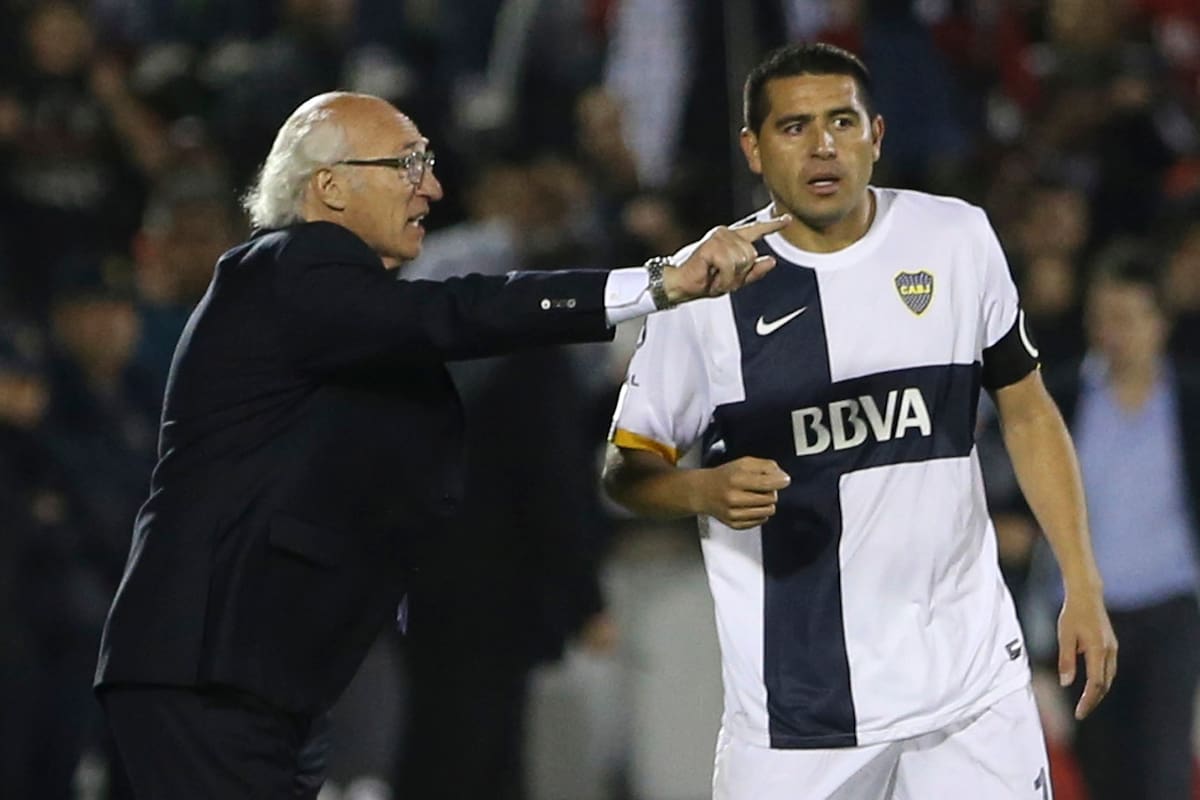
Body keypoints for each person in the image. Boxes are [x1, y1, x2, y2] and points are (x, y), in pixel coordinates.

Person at [93, 90, 788, 799]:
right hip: (212, 664)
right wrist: (655, 284)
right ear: (329, 186)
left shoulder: (339, 316)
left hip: (262, 671)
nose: (432, 185)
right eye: (406, 164)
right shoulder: (286, 266)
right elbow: (462, 312)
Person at [603, 43, 1117, 799]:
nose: (823, 146)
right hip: (796, 717)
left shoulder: (956, 239)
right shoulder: (707, 287)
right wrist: (701, 491)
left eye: (842, 121)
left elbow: (1029, 410)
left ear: (876, 134)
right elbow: (626, 470)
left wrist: (1082, 580)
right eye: (794, 127)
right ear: (753, 148)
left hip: (969, 688)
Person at [1034, 243, 1200, 800]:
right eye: (1102, 318)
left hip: (1171, 611)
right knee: (1101, 776)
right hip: (1086, 619)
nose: (1113, 333)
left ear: (1160, 321)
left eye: (1127, 318)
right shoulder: (1062, 399)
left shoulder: (1189, 402)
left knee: (1163, 775)